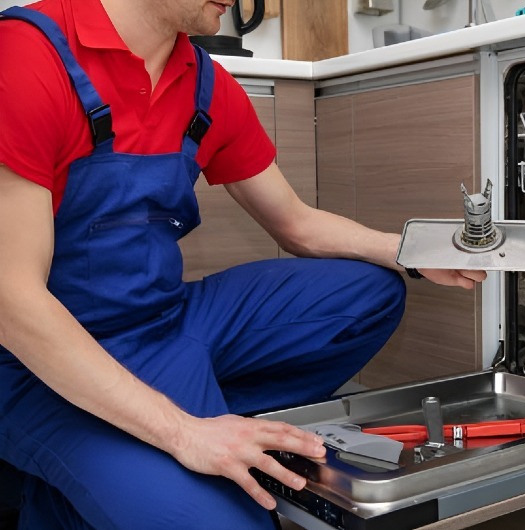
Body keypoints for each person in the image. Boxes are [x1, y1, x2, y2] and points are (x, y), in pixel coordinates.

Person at [0, 0, 487, 527]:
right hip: (34, 362)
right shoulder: (27, 55)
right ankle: (106, 462)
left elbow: (295, 224)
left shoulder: (203, 82)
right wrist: (184, 433)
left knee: (368, 293)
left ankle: (145, 441)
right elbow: (12, 299)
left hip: (164, 324)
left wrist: (412, 252)